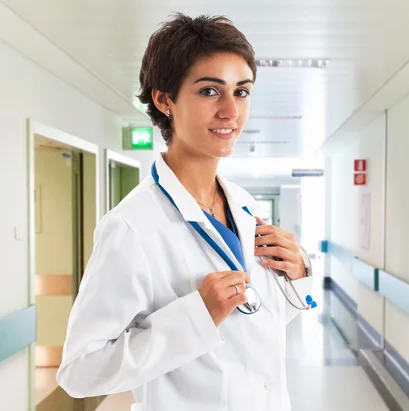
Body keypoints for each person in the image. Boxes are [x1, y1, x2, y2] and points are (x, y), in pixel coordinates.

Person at [56, 13, 314, 411]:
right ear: (164, 100)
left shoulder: (243, 205)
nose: (231, 111)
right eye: (210, 91)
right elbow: (80, 371)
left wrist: (296, 276)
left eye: (241, 92)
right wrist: (195, 318)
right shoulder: (132, 226)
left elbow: (255, 324)